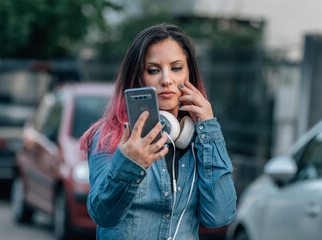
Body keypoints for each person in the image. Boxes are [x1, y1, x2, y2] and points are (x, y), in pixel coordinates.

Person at [80, 23, 237, 240]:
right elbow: (103, 214)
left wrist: (209, 127)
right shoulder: (111, 136)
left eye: (176, 68)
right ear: (138, 77)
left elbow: (219, 217)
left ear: (189, 73)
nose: (166, 79)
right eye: (153, 70)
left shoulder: (199, 140)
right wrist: (129, 163)